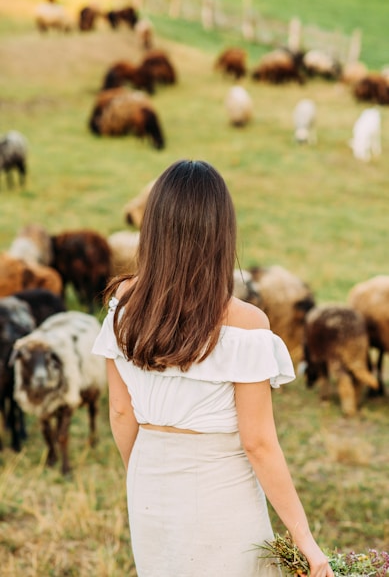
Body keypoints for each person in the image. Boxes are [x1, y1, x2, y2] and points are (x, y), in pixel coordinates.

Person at [92, 159, 334, 577]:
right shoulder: (245, 323)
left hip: (148, 486)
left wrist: (148, 477)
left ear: (153, 228)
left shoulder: (124, 306)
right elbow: (258, 443)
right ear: (220, 233)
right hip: (221, 494)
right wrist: (305, 540)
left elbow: (120, 412)